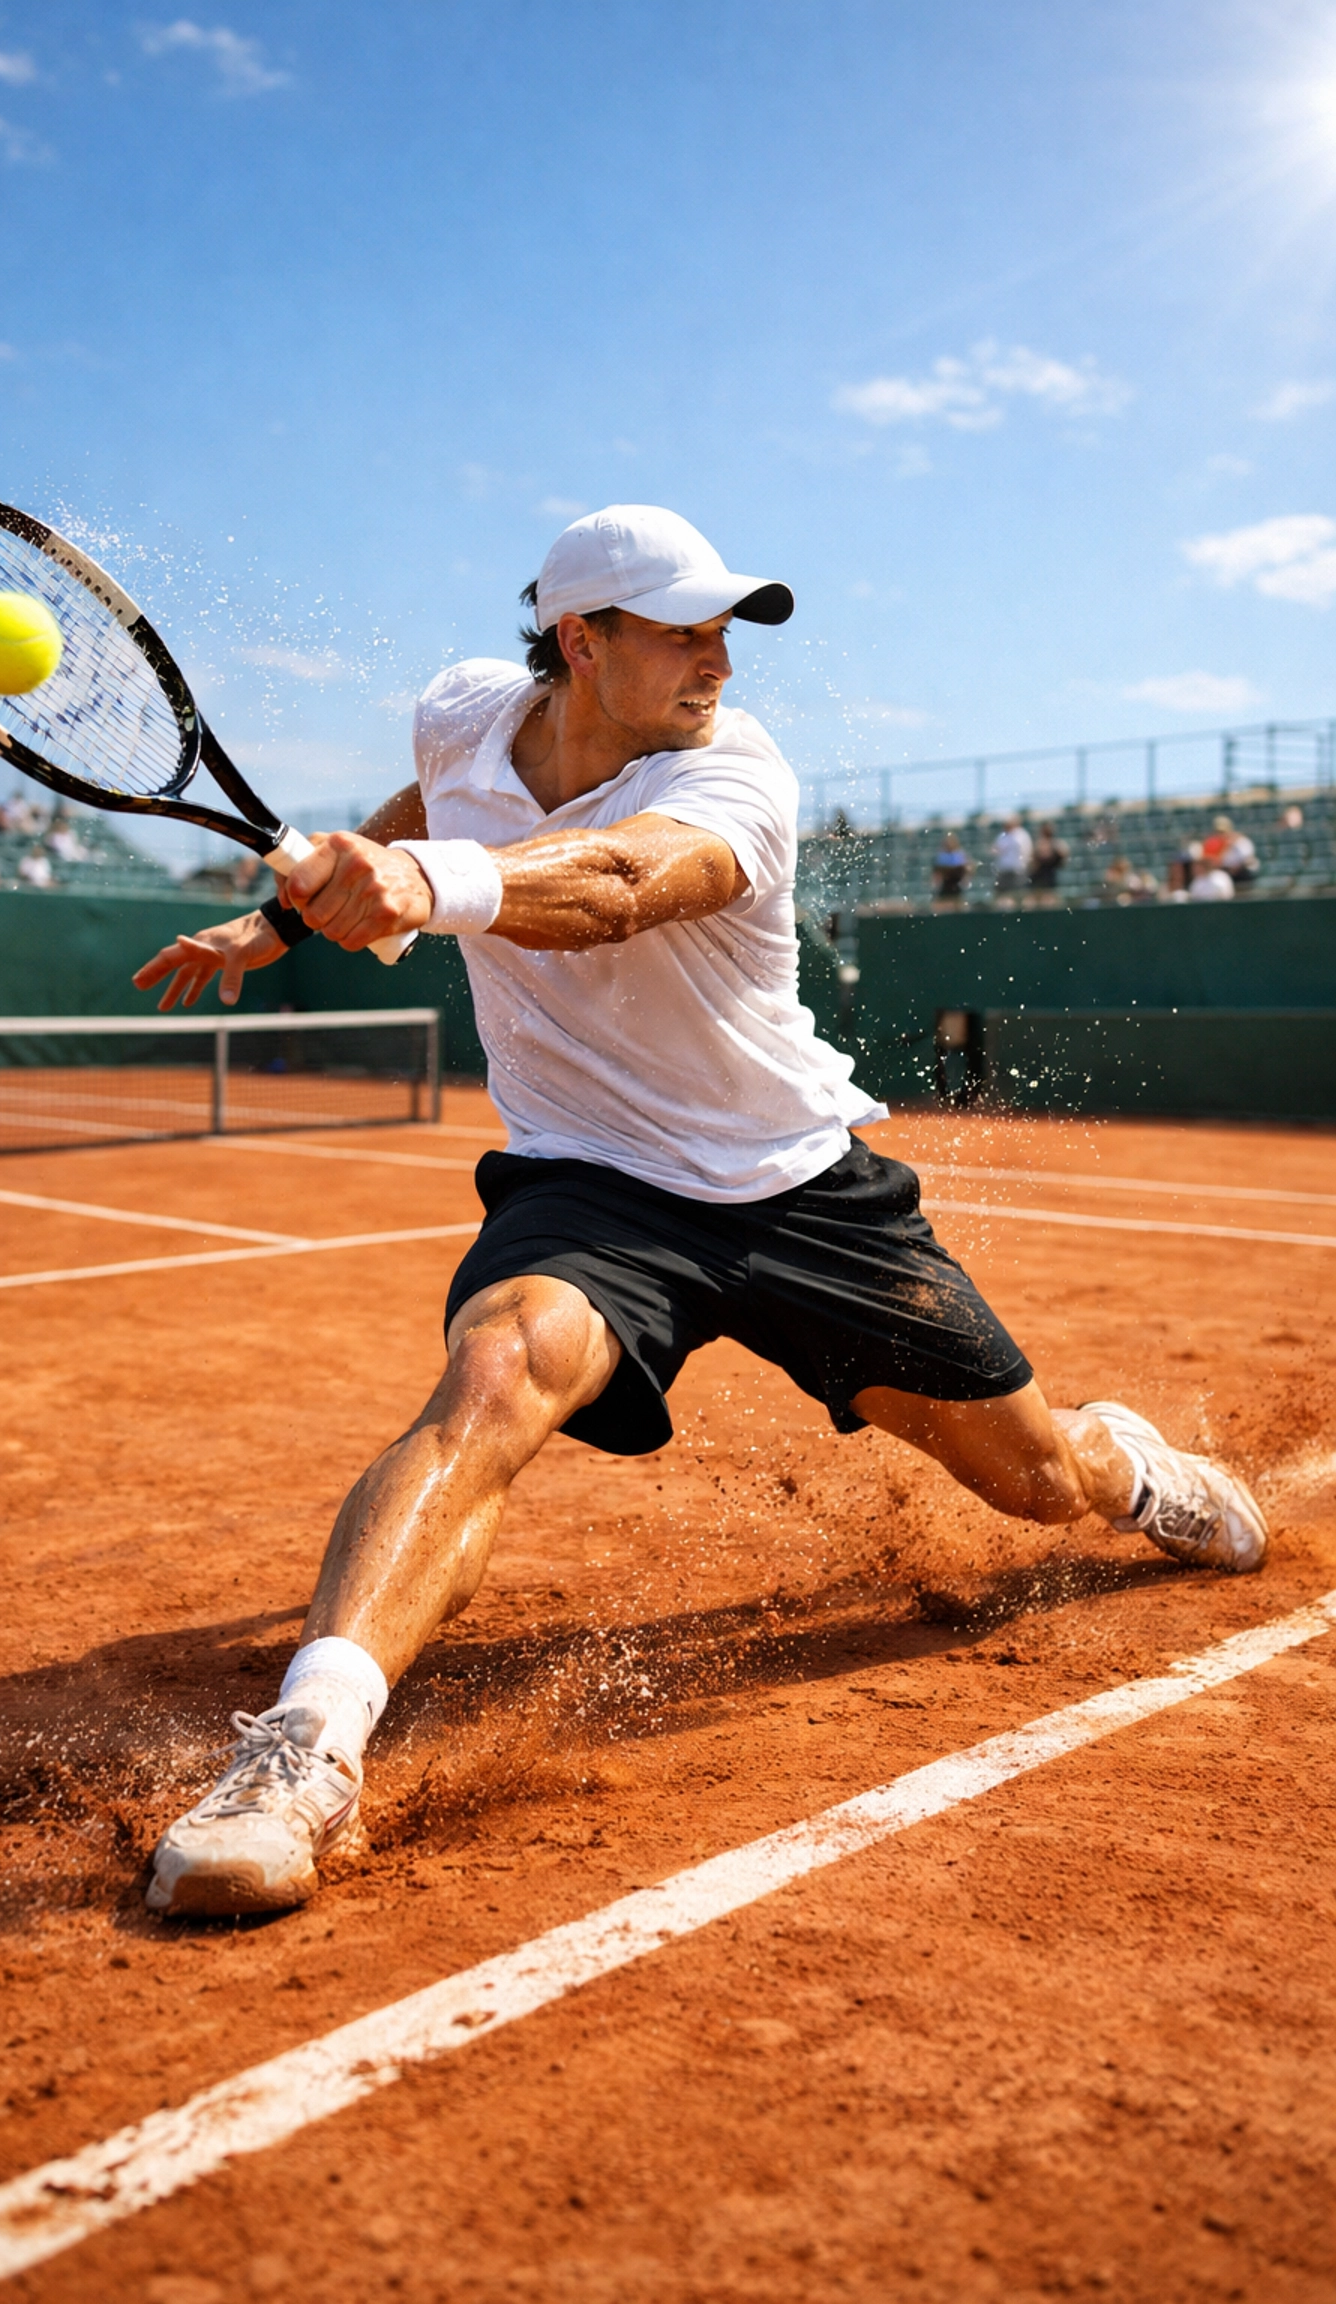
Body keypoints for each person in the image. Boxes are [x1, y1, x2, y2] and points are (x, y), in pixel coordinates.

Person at [131, 504, 1268, 1920]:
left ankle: (1129, 1467)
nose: (718, 661)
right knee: (497, 1373)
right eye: (682, 633)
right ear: (578, 640)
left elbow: (617, 886)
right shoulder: (462, 716)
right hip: (591, 1178)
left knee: (1036, 1485)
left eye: (725, 631)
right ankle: (302, 1755)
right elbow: (433, 803)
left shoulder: (736, 771)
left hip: (793, 1188)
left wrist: (420, 888)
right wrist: (287, 920)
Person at [991, 816, 1032, 897]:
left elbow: (1027, 851)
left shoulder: (1021, 835)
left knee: (1017, 893)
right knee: (1001, 894)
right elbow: (995, 849)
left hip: (1018, 870)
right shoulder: (1002, 836)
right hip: (1003, 870)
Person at [1028, 822, 1068, 898]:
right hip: (1039, 874)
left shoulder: (1057, 843)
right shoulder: (1039, 843)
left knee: (1050, 895)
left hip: (1051, 873)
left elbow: (1064, 856)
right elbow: (1034, 860)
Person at [930, 831, 971, 902]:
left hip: (957, 885)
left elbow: (967, 870)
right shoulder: (941, 857)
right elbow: (936, 873)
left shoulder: (960, 855)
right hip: (944, 886)